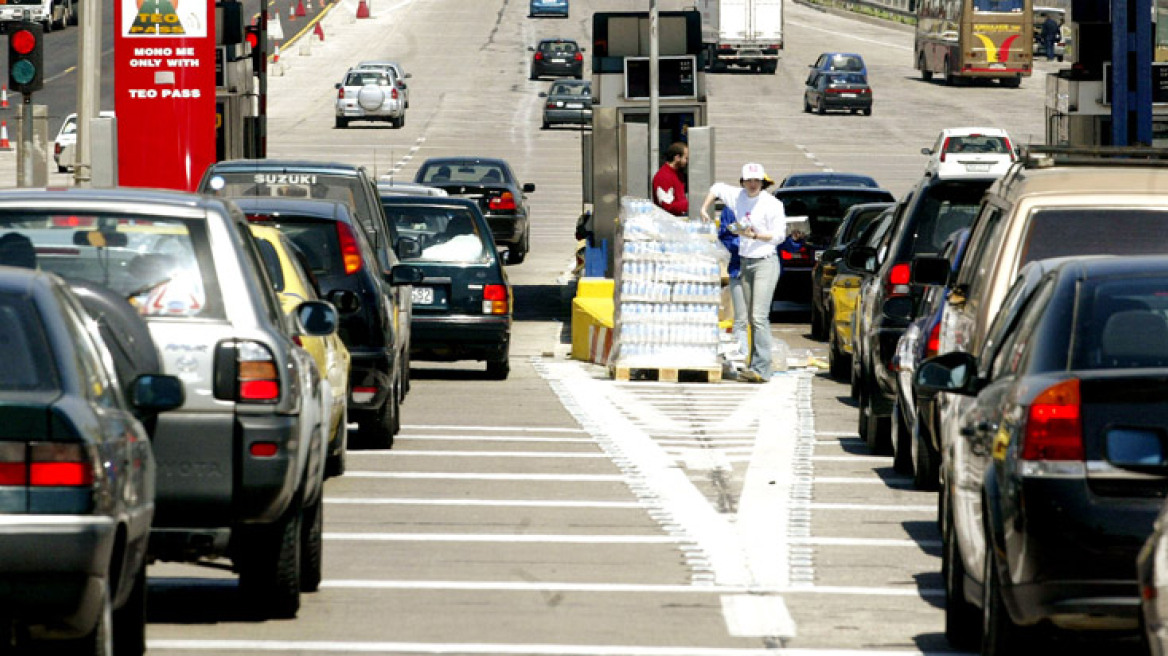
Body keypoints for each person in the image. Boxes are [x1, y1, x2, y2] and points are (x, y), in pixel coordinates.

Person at [699, 162, 788, 383]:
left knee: (758, 316)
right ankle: (753, 365)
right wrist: (704, 208)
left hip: (765, 261)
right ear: (742, 181)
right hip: (745, 262)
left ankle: (762, 368)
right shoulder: (737, 196)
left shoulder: (772, 204)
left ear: (763, 182)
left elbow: (779, 236)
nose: (752, 184)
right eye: (748, 180)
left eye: (756, 180)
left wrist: (756, 236)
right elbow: (717, 187)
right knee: (748, 317)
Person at [717, 205, 749, 366]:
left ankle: (759, 360)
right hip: (739, 270)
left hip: (763, 271)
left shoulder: (770, 205)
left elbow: (778, 241)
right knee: (741, 318)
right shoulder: (731, 209)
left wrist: (794, 240)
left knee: (759, 318)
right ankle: (742, 357)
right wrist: (745, 242)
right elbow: (724, 237)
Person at [652, 142, 689, 217]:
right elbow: (667, 206)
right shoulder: (663, 177)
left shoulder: (678, 173)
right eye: (686, 158)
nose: (687, 161)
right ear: (677, 158)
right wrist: (689, 204)